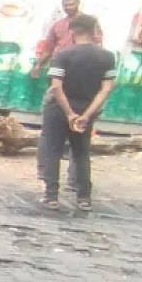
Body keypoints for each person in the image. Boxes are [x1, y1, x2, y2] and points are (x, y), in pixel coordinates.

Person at [39, 15, 116, 211]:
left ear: (73, 31)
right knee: (81, 152)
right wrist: (86, 115)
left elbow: (56, 88)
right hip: (86, 109)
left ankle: (51, 196)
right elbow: (106, 88)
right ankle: (84, 198)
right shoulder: (107, 57)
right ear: (93, 30)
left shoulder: (63, 55)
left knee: (53, 150)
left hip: (58, 108)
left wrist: (69, 113)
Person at [30, 0, 103, 77]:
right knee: (54, 89)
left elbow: (98, 43)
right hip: (58, 64)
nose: (68, 7)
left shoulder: (90, 21)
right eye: (65, 5)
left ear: (78, 3)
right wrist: (38, 65)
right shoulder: (57, 25)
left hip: (81, 64)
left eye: (72, 4)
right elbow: (48, 49)